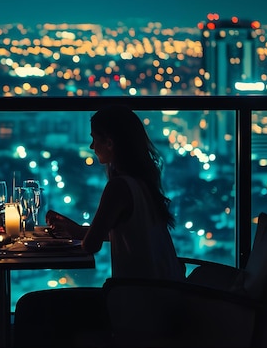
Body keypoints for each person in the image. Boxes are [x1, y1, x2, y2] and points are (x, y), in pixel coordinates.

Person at [12, 105, 184, 347]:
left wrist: (70, 238)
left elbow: (90, 245)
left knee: (31, 307)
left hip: (136, 304)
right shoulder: (143, 183)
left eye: (95, 139)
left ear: (110, 142)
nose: (92, 147)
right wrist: (74, 229)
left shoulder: (119, 187)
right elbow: (125, 235)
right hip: (161, 297)